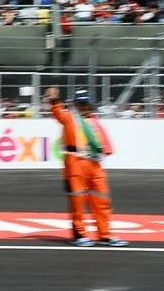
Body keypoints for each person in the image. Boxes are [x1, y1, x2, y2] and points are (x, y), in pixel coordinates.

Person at [46, 87, 127, 247]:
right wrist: (54, 100)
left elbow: (103, 141)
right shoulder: (69, 117)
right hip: (76, 163)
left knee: (102, 200)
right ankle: (80, 234)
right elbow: (58, 113)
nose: (83, 106)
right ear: (75, 104)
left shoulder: (94, 120)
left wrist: (106, 149)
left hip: (95, 164)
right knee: (78, 202)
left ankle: (105, 235)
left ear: (89, 104)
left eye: (85, 103)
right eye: (80, 104)